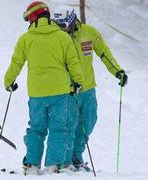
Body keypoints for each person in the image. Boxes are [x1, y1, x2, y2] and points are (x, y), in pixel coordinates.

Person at [3, 1, 85, 175]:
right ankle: (53, 166)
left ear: (33, 17)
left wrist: (8, 82)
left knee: (36, 128)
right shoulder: (63, 37)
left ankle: (32, 165)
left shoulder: (26, 39)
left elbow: (16, 62)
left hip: (37, 93)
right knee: (59, 129)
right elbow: (73, 62)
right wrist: (78, 81)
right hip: (59, 92)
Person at [53, 7, 128, 172]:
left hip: (87, 88)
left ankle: (76, 155)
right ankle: (68, 162)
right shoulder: (56, 38)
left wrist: (117, 71)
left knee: (88, 122)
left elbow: (104, 53)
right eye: (58, 25)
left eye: (64, 25)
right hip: (67, 91)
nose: (62, 29)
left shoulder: (89, 32)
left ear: (73, 19)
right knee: (69, 125)